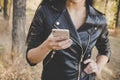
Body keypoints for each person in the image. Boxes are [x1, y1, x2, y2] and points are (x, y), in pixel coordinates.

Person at [26, 0, 111, 80]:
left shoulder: (99, 20)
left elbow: (105, 51)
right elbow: (31, 58)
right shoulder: (46, 12)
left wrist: (98, 67)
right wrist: (47, 46)